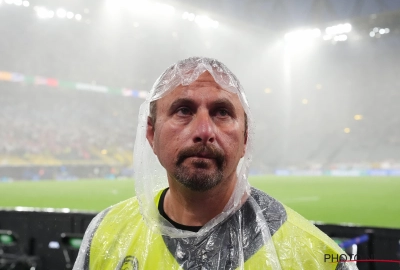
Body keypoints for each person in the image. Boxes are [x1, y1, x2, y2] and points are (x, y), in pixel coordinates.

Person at [73, 57, 357, 270]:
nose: (204, 131)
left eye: (222, 112)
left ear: (245, 138)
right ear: (151, 133)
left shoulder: (316, 257)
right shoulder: (105, 234)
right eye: (183, 110)